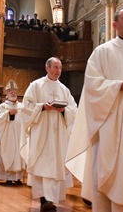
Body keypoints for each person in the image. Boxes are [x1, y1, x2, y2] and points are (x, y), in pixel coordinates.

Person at [66, 7, 123, 211]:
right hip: (110, 126)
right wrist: (118, 86)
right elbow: (91, 86)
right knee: (107, 174)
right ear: (115, 25)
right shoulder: (103, 52)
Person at [20, 57, 77, 212]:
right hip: (42, 133)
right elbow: (26, 107)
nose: (58, 70)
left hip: (58, 136)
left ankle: (51, 199)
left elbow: (73, 109)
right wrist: (42, 107)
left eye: (60, 68)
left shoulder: (64, 89)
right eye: (55, 67)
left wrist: (64, 110)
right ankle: (44, 200)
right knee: (42, 164)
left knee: (54, 165)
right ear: (47, 67)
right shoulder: (36, 86)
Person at [0, 80, 26, 185]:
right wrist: (8, 114)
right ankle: (7, 177)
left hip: (19, 135)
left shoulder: (22, 106)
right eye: (10, 92)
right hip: (7, 136)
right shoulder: (2, 107)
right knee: (8, 153)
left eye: (14, 92)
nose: (13, 94)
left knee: (18, 154)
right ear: (7, 94)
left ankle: (17, 177)